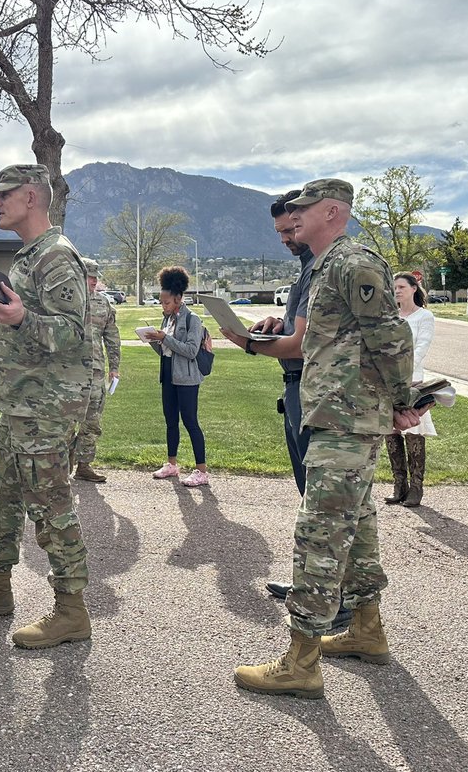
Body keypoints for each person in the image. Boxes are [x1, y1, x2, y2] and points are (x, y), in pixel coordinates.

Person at [234, 178, 420, 699]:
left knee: (320, 534)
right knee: (357, 527)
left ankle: (302, 660)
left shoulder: (352, 260)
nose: (293, 218)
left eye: (303, 209)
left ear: (333, 211)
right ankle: (366, 629)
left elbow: (391, 337)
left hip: (347, 418)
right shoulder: (323, 266)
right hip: (338, 414)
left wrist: (403, 401)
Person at [0, 164, 94, 650]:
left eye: (3, 195)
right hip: (21, 405)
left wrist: (23, 317)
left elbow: (72, 333)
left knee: (50, 508)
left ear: (31, 197)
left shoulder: (57, 256)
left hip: (46, 407)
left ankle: (71, 610)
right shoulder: (30, 256)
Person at [218, 190, 352, 628]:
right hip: (297, 388)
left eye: (291, 228)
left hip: (320, 394)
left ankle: (337, 602)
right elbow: (296, 331)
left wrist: (245, 343)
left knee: (326, 505)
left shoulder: (330, 268)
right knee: (309, 493)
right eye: (281, 230)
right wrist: (273, 326)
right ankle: (315, 587)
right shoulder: (305, 273)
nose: (286, 237)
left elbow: (303, 344)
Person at [148, 265, 212, 487]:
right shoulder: (167, 319)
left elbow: (191, 350)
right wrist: (154, 340)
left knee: (190, 421)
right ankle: (172, 464)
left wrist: (165, 338)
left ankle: (201, 470)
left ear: (178, 298)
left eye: (166, 302)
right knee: (170, 420)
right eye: (161, 302)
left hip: (187, 378)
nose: (162, 306)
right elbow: (166, 349)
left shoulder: (192, 319)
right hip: (167, 374)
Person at [384, 272, 436, 508]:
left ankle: (416, 487)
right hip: (386, 382)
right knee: (391, 431)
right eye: (394, 287)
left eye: (402, 286)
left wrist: (400, 374)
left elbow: (420, 348)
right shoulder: (389, 317)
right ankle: (399, 484)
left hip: (411, 380)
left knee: (414, 430)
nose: (397, 290)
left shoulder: (424, 317)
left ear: (414, 288)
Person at [71, 258, 120, 483]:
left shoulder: (103, 304)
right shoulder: (66, 302)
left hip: (96, 374)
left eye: (95, 276)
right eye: (89, 276)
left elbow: (112, 337)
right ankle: (58, 467)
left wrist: (114, 368)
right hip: (69, 374)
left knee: (92, 422)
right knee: (66, 422)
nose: (93, 280)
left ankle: (84, 465)